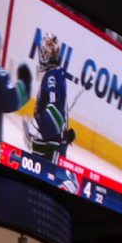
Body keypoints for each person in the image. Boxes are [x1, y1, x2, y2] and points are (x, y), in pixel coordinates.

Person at [24, 33, 76, 163]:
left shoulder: (52, 77)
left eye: (43, 52)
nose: (41, 56)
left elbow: (54, 109)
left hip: (50, 148)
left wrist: (36, 127)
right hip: (50, 145)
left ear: (49, 55)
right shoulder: (56, 74)